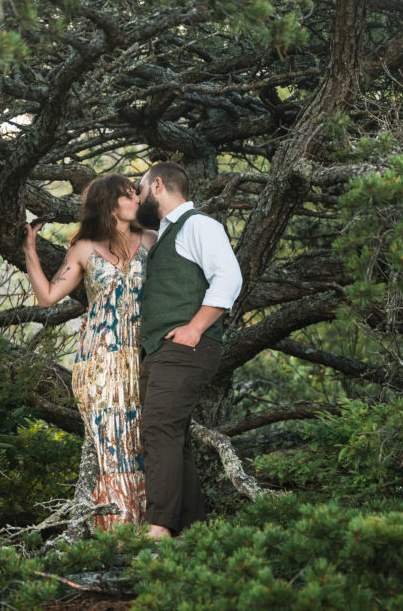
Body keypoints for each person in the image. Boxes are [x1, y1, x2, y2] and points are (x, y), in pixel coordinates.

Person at [23, 174, 154, 529]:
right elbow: (47, 297)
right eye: (129, 195)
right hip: (97, 360)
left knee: (140, 441)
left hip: (139, 358)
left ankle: (148, 527)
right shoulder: (84, 249)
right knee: (110, 445)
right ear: (111, 204)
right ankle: (116, 531)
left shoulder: (152, 240)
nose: (137, 200)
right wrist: (30, 252)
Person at [135, 161, 243, 540]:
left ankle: (159, 529)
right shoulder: (161, 234)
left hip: (185, 348)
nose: (137, 195)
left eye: (141, 187)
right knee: (172, 437)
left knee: (158, 427)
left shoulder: (198, 224)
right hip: (162, 350)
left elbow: (229, 277)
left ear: (159, 185)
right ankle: (194, 534)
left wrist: (195, 328)